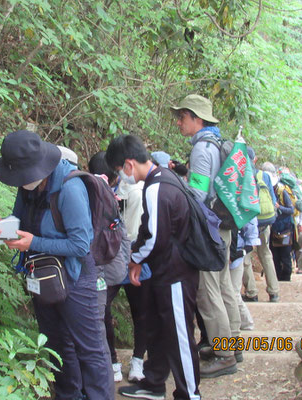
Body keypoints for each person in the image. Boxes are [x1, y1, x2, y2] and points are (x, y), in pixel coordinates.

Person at [0, 130, 111, 400]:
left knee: (89, 349)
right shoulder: (28, 186)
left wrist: (33, 242)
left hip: (77, 277)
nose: (19, 183)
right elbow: (19, 219)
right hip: (42, 275)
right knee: (57, 345)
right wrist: (3, 230)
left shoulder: (70, 188)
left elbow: (80, 246)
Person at [105, 135, 201, 400]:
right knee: (161, 328)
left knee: (180, 334)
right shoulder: (161, 180)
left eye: (118, 171)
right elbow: (150, 230)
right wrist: (138, 258)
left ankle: (190, 393)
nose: (120, 177)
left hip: (176, 274)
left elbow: (155, 236)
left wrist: (134, 260)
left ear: (128, 164)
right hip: (165, 270)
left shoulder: (157, 187)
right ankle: (154, 382)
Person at [171, 94, 239, 378]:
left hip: (210, 229)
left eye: (183, 117)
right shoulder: (218, 142)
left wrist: (176, 187)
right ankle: (232, 345)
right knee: (224, 287)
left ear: (197, 119)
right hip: (224, 226)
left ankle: (224, 356)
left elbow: (198, 193)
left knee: (208, 292)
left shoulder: (202, 148)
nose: (179, 122)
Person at [88, 151, 149, 384]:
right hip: (126, 256)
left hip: (117, 257)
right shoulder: (119, 190)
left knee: (105, 311)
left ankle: (120, 362)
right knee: (137, 311)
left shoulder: (132, 190)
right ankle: (132, 361)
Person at [242, 160, 280, 303]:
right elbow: (272, 198)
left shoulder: (241, 175)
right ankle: (274, 292)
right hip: (265, 221)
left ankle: (251, 292)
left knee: (246, 255)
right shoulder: (264, 175)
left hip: (248, 220)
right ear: (255, 160)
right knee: (265, 253)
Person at [269, 171, 295, 281]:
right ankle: (278, 278)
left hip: (285, 229)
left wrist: (279, 207)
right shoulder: (269, 192)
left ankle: (286, 278)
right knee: (275, 256)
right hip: (274, 229)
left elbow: (291, 210)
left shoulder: (282, 192)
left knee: (285, 255)